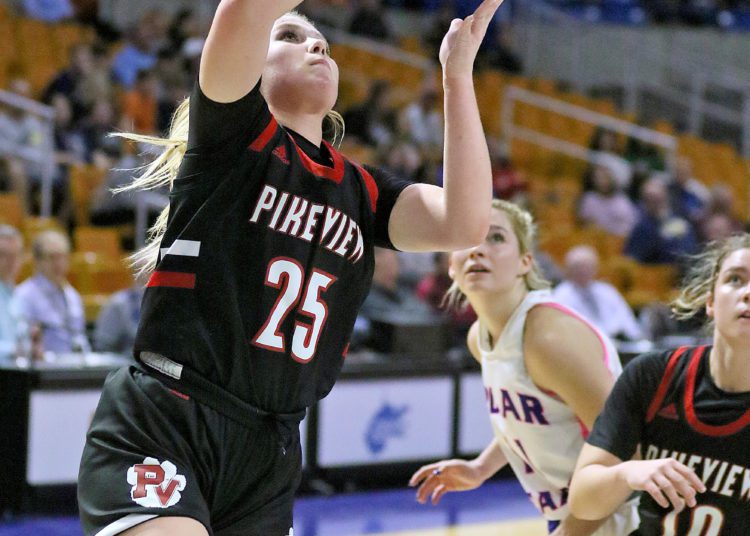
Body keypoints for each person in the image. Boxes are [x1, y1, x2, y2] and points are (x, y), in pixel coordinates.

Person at [77, 0, 502, 534]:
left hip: (269, 448)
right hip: (171, 416)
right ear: (254, 62)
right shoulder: (231, 135)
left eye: (321, 40)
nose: (317, 45)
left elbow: (464, 222)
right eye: (291, 36)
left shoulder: (364, 191)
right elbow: (242, 11)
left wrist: (457, 77)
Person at [409, 200, 639, 536]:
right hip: (575, 515)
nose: (478, 250)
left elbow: (626, 450)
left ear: (524, 262)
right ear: (451, 266)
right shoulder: (480, 337)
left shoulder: (547, 338)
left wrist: (569, 532)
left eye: (496, 238)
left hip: (621, 515)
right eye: (466, 240)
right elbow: (527, 419)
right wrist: (480, 469)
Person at [569, 233, 750, 535]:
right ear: (710, 302)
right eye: (735, 279)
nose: (748, 293)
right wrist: (628, 473)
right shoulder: (654, 376)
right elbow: (582, 501)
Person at [15, 229, 90, 356]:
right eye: (52, 257)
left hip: (74, 367)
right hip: (43, 370)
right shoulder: (23, 296)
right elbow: (22, 341)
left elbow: (79, 336)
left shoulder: (72, 295)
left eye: (63, 257)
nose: (59, 263)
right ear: (37, 261)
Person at [553, 245, 643, 342]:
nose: (583, 271)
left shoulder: (607, 290)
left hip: (618, 342)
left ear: (595, 268)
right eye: (578, 267)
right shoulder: (560, 295)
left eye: (588, 266)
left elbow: (627, 319)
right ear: (569, 269)